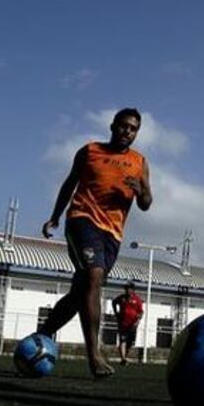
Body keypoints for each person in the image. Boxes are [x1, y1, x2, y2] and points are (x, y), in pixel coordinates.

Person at [40, 108, 153, 377]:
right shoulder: (89, 151)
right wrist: (55, 217)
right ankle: (95, 354)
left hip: (112, 233)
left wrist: (141, 192)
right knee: (93, 277)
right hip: (82, 220)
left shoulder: (140, 162)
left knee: (81, 292)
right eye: (123, 126)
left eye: (133, 128)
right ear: (113, 126)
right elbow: (69, 184)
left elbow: (147, 203)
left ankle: (42, 334)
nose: (127, 131)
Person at [111, 282, 144, 365]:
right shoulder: (122, 298)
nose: (127, 290)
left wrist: (137, 321)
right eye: (126, 289)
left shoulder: (137, 300)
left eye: (129, 289)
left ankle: (125, 356)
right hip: (122, 323)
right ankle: (123, 359)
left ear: (133, 290)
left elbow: (141, 312)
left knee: (130, 342)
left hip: (132, 325)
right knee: (122, 340)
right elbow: (114, 302)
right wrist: (116, 312)